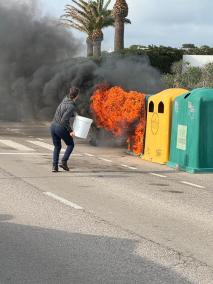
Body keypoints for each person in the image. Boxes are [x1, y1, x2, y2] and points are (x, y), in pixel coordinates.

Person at [50, 86, 80, 172]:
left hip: (53, 126)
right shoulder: (71, 106)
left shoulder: (63, 102)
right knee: (71, 144)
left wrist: (74, 115)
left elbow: (63, 113)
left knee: (57, 146)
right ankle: (64, 161)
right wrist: (70, 131)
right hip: (60, 127)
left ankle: (54, 167)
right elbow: (64, 120)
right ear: (77, 96)